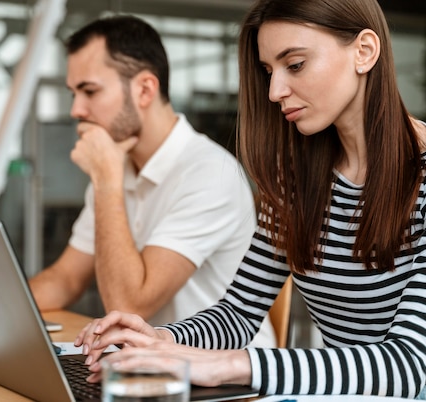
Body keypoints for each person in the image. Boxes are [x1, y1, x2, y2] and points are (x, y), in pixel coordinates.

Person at [74, 0, 426, 400]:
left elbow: (405, 366)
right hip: (338, 396)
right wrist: (163, 339)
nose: (275, 90)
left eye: (295, 65)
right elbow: (239, 314)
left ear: (364, 51)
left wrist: (227, 365)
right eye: (267, 70)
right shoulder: (297, 178)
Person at [28, 15, 276, 347]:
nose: (76, 109)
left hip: (224, 381)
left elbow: (130, 306)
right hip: (151, 366)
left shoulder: (210, 172)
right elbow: (66, 278)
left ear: (145, 89)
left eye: (89, 91)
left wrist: (106, 180)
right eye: (73, 92)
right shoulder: (118, 167)